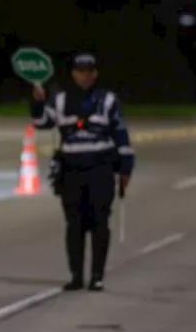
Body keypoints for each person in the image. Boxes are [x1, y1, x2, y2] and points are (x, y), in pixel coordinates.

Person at [30, 52, 134, 292]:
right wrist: (37, 101)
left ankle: (97, 276)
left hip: (100, 169)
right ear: (73, 73)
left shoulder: (107, 101)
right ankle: (76, 276)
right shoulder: (60, 100)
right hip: (71, 171)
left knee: (99, 224)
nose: (84, 76)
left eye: (88, 71)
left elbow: (121, 134)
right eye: (79, 71)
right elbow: (41, 123)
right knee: (74, 225)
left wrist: (125, 167)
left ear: (95, 73)